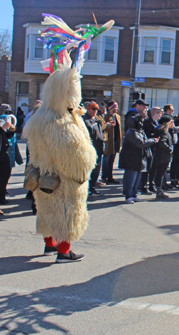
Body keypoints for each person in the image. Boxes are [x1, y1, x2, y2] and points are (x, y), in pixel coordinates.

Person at [23, 66, 97, 263]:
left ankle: (49, 244)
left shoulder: (38, 117)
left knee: (47, 209)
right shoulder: (62, 122)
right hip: (64, 179)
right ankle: (64, 251)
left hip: (43, 174)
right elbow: (77, 156)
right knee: (66, 212)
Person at [119, 114, 159, 204]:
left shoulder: (140, 131)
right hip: (131, 159)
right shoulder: (131, 133)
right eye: (139, 122)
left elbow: (144, 140)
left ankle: (134, 195)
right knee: (131, 180)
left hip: (139, 159)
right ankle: (129, 196)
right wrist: (153, 140)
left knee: (137, 179)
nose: (141, 123)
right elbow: (140, 143)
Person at [83, 101, 106, 197]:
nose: (95, 111)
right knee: (88, 171)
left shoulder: (97, 120)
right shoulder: (84, 120)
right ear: (87, 109)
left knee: (96, 170)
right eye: (93, 109)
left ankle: (92, 188)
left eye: (97, 109)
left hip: (99, 149)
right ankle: (86, 189)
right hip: (89, 150)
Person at [140, 107, 162, 194]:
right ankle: (143, 186)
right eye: (159, 113)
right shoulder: (148, 121)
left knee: (153, 168)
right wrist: (152, 119)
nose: (160, 115)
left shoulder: (157, 122)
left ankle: (151, 184)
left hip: (155, 147)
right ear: (154, 113)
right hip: (148, 147)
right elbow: (146, 130)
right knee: (147, 168)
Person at [151, 115, 173, 199]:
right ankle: (159, 191)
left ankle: (159, 190)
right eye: (170, 122)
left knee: (159, 174)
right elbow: (162, 142)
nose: (172, 124)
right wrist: (169, 149)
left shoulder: (158, 130)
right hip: (163, 156)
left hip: (158, 155)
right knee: (160, 174)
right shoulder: (164, 131)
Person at [102, 101, 121, 184]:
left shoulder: (117, 117)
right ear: (111, 108)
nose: (117, 109)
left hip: (115, 141)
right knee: (106, 159)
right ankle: (104, 176)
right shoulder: (105, 117)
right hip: (108, 141)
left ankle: (110, 176)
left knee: (112, 160)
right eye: (115, 107)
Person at [0, 114, 15, 205]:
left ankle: (2, 197)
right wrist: (2, 129)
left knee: (4, 177)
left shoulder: (1, 119)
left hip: (3, 154)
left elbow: (6, 136)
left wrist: (11, 130)